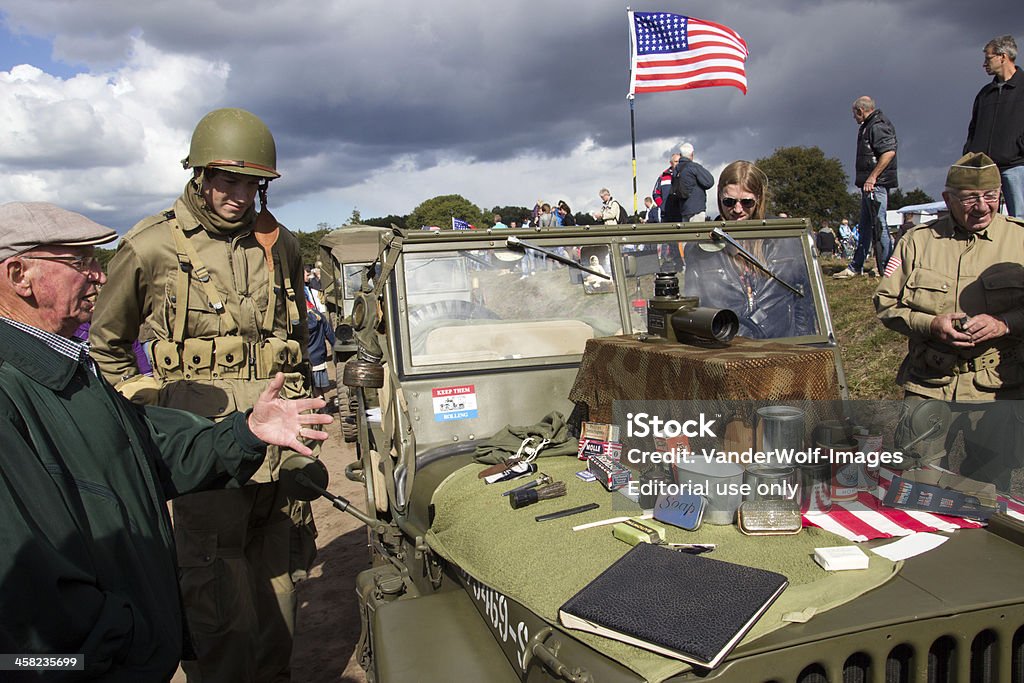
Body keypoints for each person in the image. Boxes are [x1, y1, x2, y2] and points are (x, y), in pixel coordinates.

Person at [0, 201, 330, 680]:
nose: (98, 275)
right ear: (19, 275)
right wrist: (117, 641)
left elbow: (145, 454)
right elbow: (23, 577)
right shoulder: (15, 389)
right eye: (81, 263)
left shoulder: (68, 373)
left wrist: (246, 433)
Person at [90, 108, 314, 682]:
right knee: (213, 593)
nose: (239, 195)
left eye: (251, 184)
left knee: (279, 585)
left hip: (277, 450)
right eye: (226, 180)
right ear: (199, 176)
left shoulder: (279, 244)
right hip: (205, 452)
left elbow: (297, 339)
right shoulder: (149, 248)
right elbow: (105, 350)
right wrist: (154, 409)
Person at [876, 152, 1024, 488]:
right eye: (970, 199)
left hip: (997, 391)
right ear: (947, 199)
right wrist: (930, 324)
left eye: (990, 197)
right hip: (928, 384)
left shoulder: (1020, 240)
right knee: (918, 485)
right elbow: (885, 304)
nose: (982, 207)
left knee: (989, 491)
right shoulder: (918, 242)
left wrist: (1005, 323)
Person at [683, 160, 815, 339]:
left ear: (758, 199)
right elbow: (694, 307)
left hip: (780, 345)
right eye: (729, 202)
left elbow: (804, 301)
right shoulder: (700, 247)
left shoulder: (786, 238)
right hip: (727, 348)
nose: (737, 210)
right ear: (719, 197)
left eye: (746, 202)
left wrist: (804, 346)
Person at [834, 96, 898, 279]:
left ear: (860, 111)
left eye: (854, 113)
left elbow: (888, 152)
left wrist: (872, 177)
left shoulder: (877, 126)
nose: (854, 118)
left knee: (880, 225)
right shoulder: (870, 126)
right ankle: (857, 265)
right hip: (870, 185)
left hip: (875, 185)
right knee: (866, 226)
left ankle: (886, 267)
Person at [964, 35, 1024, 218]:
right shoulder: (984, 94)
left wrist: (1019, 149)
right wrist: (970, 154)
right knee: (985, 218)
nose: (984, 64)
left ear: (1003, 56)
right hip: (985, 169)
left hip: (1016, 166)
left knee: (1019, 218)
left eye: (988, 58)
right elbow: (973, 129)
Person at [666, 142, 715, 223]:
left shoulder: (676, 170)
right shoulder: (694, 167)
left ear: (680, 155)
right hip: (696, 209)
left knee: (687, 234)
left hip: (683, 209)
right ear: (692, 154)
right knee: (697, 233)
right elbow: (709, 182)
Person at [306, 299, 336, 407]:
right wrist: (335, 348)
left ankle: (315, 410)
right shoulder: (318, 316)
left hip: (305, 359)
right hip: (319, 358)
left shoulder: (296, 321)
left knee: (308, 389)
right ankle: (323, 408)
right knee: (318, 388)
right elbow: (330, 334)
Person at [651, 153, 680, 222]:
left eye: (680, 161)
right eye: (676, 161)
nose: (678, 164)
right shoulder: (663, 177)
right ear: (671, 163)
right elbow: (655, 193)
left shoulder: (686, 174)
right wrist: (662, 205)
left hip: (682, 213)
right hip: (666, 214)